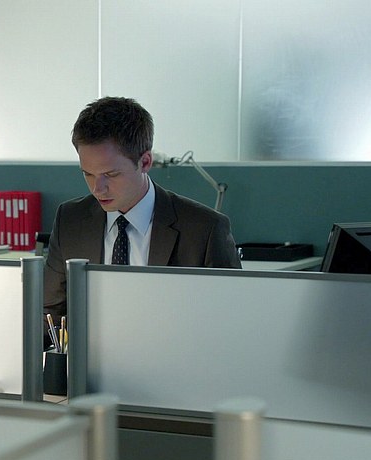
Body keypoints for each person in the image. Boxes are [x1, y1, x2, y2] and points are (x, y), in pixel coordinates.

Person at [44, 97, 241, 323]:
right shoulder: (70, 220)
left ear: (145, 162)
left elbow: (231, 320)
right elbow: (48, 313)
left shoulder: (205, 229)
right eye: (88, 173)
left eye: (111, 174)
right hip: (89, 347)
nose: (98, 188)